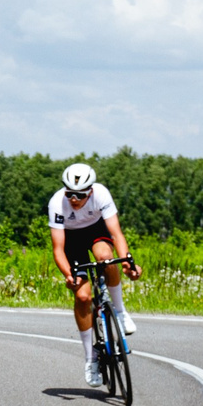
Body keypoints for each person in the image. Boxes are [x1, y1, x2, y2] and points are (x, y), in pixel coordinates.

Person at [49, 162, 138, 386]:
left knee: (107, 258)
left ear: (90, 191)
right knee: (82, 296)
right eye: (69, 193)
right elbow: (58, 249)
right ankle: (91, 359)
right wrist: (68, 274)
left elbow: (116, 233)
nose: (74, 199)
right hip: (72, 240)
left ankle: (119, 311)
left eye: (80, 195)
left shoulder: (101, 194)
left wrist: (127, 261)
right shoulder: (57, 204)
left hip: (96, 231)